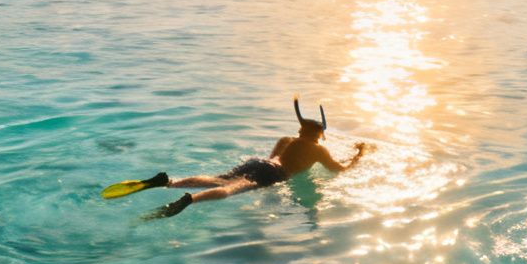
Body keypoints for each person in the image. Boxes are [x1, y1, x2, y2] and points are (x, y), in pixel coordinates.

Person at [105, 97, 369, 220]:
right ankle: (189, 200)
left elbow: (272, 159)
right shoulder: (318, 150)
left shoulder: (286, 139)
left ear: (301, 129)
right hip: (275, 174)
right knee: (231, 189)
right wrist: (359, 155)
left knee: (220, 178)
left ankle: (168, 182)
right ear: (319, 134)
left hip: (259, 163)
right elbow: (339, 170)